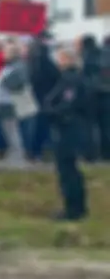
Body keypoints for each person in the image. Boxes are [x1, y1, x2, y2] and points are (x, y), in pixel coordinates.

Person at [45, 48, 89, 222]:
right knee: (71, 170)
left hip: (68, 129)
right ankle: (78, 207)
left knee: (67, 171)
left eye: (60, 58)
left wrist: (52, 111)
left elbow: (67, 104)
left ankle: (73, 209)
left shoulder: (70, 80)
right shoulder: (77, 78)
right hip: (73, 128)